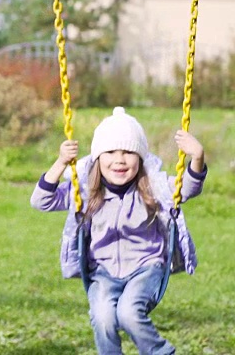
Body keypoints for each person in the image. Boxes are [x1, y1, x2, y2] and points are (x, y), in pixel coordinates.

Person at [30, 107, 207, 354]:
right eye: (110, 152)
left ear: (141, 158)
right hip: (102, 271)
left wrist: (196, 157)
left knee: (129, 313)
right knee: (103, 317)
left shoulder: (154, 187)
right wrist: (61, 162)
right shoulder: (84, 191)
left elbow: (186, 189)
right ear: (97, 159)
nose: (119, 159)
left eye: (128, 152)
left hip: (146, 267)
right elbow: (41, 201)